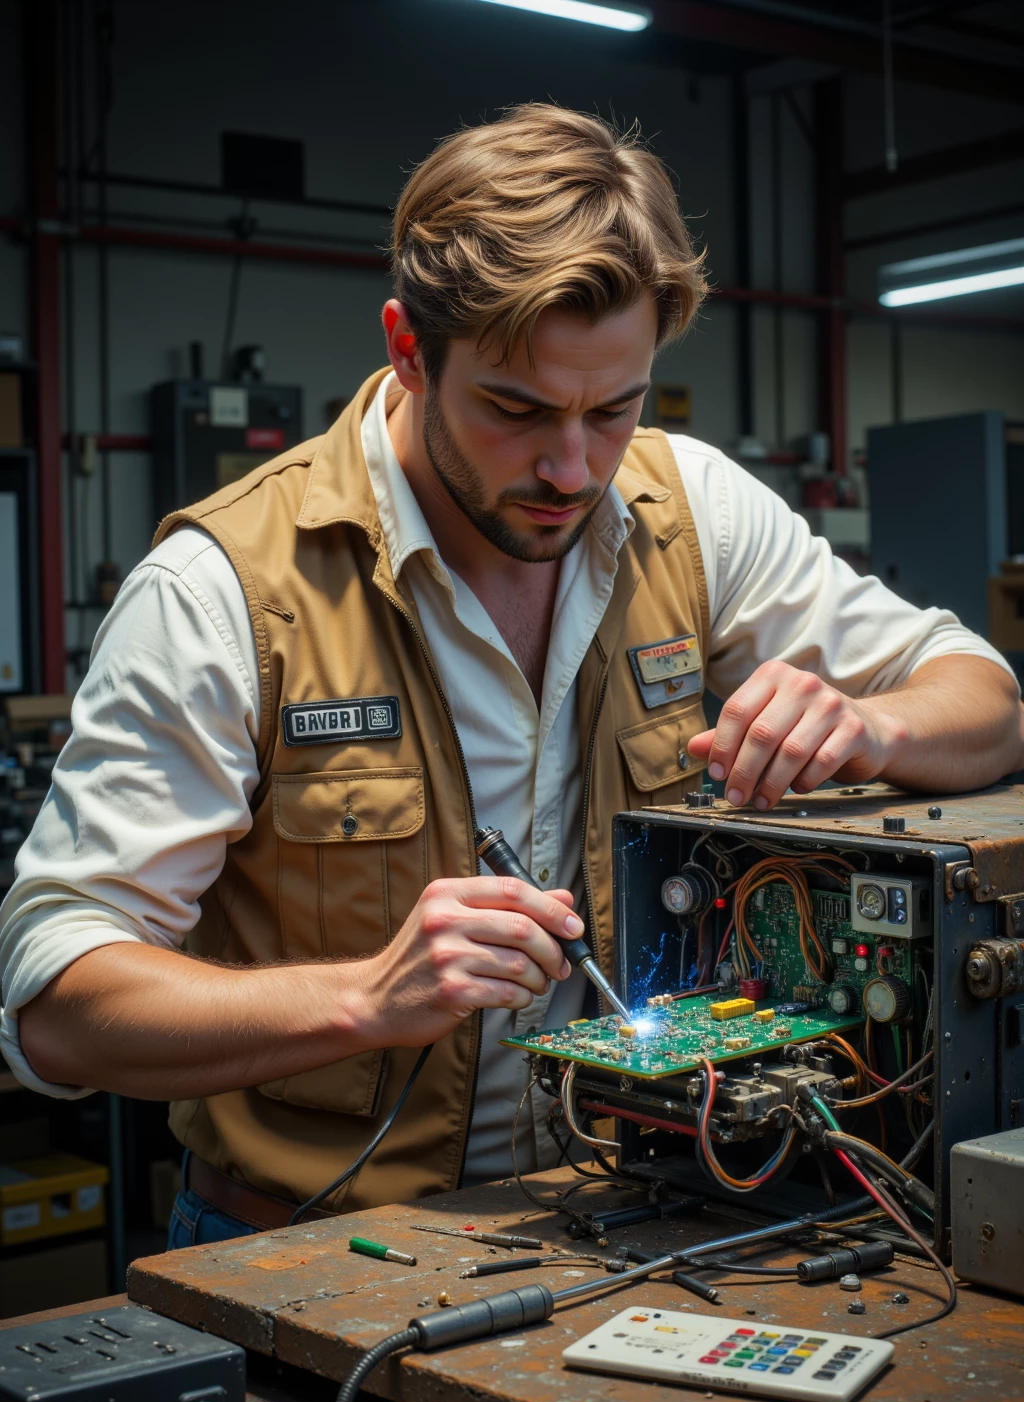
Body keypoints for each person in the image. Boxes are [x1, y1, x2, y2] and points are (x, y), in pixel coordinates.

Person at [2, 105, 1020, 1248]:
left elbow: (984, 698)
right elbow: (55, 1006)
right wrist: (364, 998)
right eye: (516, 409)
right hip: (298, 1252)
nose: (571, 466)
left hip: (633, 1221)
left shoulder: (688, 509)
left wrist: (869, 723)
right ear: (406, 349)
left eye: (613, 408)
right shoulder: (223, 590)